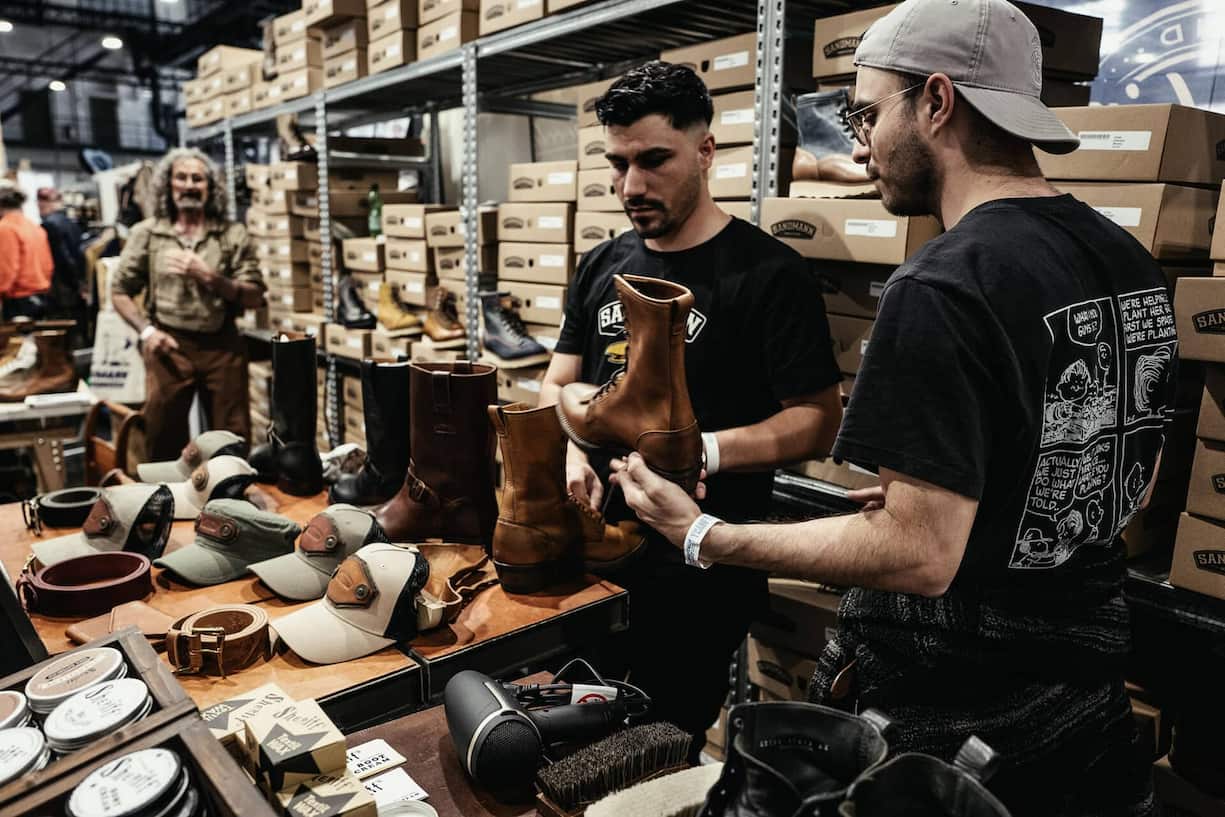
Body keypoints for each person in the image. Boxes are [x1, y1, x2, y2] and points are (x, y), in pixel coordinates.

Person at [609, 0, 1175, 814]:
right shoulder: (1125, 257)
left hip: (966, 736)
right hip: (1089, 718)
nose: (858, 143)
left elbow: (918, 556)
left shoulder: (943, 284)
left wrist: (699, 533)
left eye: (867, 114)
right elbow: (1128, 475)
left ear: (937, 102)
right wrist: (965, 493)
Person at [539, 62, 844, 755]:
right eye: (617, 164)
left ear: (705, 151)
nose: (630, 186)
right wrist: (566, 452)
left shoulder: (767, 274)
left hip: (697, 569)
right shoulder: (600, 263)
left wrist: (701, 450)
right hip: (588, 551)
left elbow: (817, 420)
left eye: (653, 161)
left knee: (652, 751)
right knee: (565, 736)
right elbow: (557, 382)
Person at [112, 147, 266, 461]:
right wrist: (147, 333)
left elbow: (255, 295)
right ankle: (168, 501)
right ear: (169, 185)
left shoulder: (232, 234)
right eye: (181, 177)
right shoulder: (149, 234)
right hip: (168, 345)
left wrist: (210, 277)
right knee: (163, 436)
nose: (189, 185)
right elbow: (118, 290)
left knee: (232, 438)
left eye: (198, 178)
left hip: (222, 346)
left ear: (211, 187)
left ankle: (228, 503)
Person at [37, 187, 88, 340]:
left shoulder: (49, 225)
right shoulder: (71, 223)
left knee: (61, 334)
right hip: (74, 287)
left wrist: (74, 283)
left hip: (62, 289)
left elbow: (63, 259)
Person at [0, 181, 53, 319]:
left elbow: (7, 270)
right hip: (40, 297)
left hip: (18, 299)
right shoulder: (35, 227)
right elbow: (48, 266)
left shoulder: (6, 228)